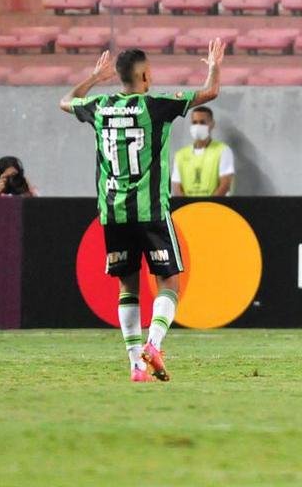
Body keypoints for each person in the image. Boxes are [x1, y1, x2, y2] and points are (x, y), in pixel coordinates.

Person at [59, 40, 224, 382]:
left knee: (128, 286)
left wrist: (93, 78)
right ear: (145, 75)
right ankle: (154, 344)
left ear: (119, 77)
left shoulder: (100, 106)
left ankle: (136, 366)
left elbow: (65, 101)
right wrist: (214, 66)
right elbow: (211, 92)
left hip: (113, 212)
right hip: (150, 211)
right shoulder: (156, 105)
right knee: (170, 282)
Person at [170, 106, 234, 197]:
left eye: (202, 122)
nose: (198, 126)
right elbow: (177, 187)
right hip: (188, 206)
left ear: (212, 124)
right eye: (194, 122)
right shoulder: (180, 155)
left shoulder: (223, 151)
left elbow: (225, 185)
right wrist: (186, 204)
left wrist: (206, 205)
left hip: (214, 205)